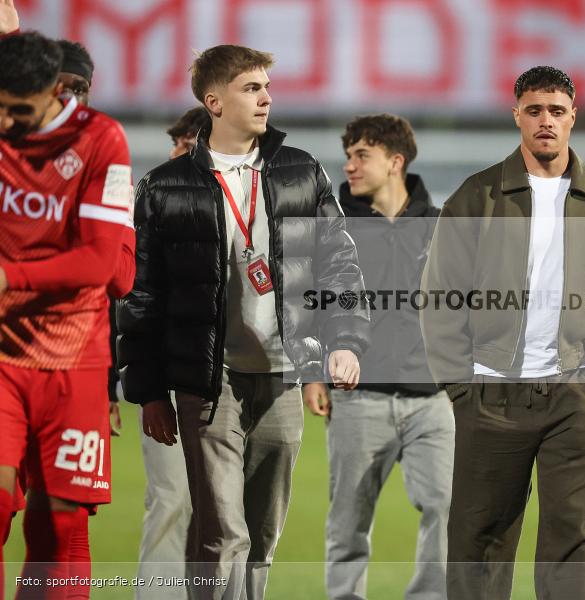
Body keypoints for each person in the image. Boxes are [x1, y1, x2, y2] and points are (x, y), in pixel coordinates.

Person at [117, 45, 370, 600]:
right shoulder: (163, 186)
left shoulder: (301, 170)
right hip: (209, 381)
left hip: (283, 374)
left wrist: (345, 338)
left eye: (266, 87)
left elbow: (341, 262)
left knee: (261, 533)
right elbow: (144, 295)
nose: (266, 98)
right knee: (221, 533)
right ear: (214, 101)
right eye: (251, 88)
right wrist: (149, 390)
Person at [421, 66, 585, 600]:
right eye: (534, 109)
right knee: (480, 540)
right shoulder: (477, 195)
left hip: (573, 393)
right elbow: (440, 296)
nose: (545, 121)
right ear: (516, 115)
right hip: (490, 393)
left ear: (573, 116)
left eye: (555, 110)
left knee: (573, 536)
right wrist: (461, 383)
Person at [0, 31, 134, 600]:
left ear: (55, 93)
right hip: (3, 354)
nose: (7, 122)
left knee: (61, 526)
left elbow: (108, 263)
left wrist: (12, 277)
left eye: (19, 111)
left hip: (74, 356)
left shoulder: (102, 140)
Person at [305, 114, 453, 599]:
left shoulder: (442, 226)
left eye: (361, 155)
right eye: (348, 155)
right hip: (357, 398)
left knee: (447, 508)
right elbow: (306, 304)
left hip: (432, 402)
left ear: (395, 162)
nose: (349, 165)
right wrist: (312, 372)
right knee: (348, 523)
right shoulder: (332, 227)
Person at [134, 105, 209, 600]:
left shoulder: (250, 203)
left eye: (184, 143)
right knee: (171, 498)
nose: (173, 152)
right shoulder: (155, 198)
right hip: (173, 377)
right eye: (175, 142)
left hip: (235, 382)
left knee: (228, 514)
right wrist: (147, 388)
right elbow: (136, 300)